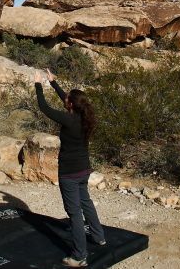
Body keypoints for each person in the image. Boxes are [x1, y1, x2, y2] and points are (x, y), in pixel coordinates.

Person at [34, 69, 106, 268]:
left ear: (71, 105)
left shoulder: (69, 119)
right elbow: (68, 99)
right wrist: (53, 83)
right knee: (86, 203)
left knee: (74, 213)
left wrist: (38, 84)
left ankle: (79, 256)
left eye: (68, 101)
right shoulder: (84, 117)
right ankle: (99, 237)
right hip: (83, 170)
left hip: (69, 173)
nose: (66, 101)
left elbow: (44, 107)